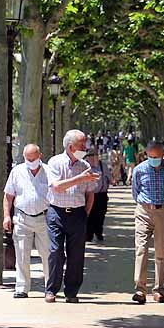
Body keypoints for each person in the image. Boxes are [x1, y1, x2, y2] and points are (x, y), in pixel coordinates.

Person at [45, 129, 99, 303]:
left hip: (77, 214)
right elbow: (57, 187)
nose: (85, 147)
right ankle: (51, 290)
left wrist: (85, 213)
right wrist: (79, 179)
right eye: (81, 144)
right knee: (56, 252)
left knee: (76, 254)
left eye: (85, 144)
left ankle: (71, 291)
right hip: (57, 213)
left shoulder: (85, 166)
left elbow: (90, 193)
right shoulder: (55, 162)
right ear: (70, 147)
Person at [131, 138, 164, 304]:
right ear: (146, 154)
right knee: (141, 249)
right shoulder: (139, 170)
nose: (154, 160)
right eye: (151, 156)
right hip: (144, 211)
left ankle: (158, 290)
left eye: (157, 156)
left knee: (161, 253)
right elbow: (135, 191)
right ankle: (140, 290)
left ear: (163, 154)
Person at [2, 143, 50, 298]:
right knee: (22, 254)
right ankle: (22, 288)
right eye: (27, 159)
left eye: (33, 158)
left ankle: (50, 287)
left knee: (47, 254)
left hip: (45, 218)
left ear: (40, 156)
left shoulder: (49, 171)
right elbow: (8, 196)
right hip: (22, 218)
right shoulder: (17, 172)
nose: (31, 161)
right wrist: (6, 216)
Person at [86, 148, 110, 243]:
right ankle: (89, 235)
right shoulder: (84, 166)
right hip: (89, 195)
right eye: (90, 156)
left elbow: (108, 177)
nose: (93, 158)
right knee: (89, 215)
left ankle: (99, 232)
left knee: (100, 215)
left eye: (94, 156)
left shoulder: (102, 165)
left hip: (101, 195)